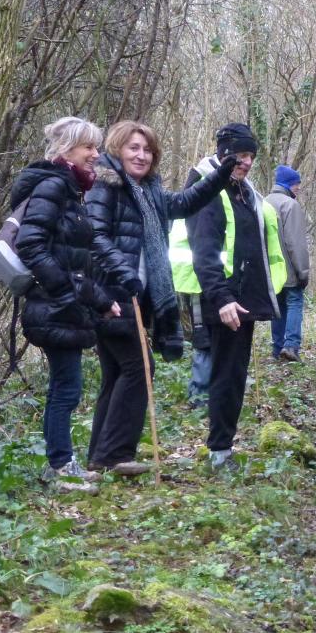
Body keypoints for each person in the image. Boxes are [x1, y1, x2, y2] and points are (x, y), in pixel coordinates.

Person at [85, 121, 235, 475]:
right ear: (118, 149)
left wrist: (218, 176)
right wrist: (122, 271)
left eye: (148, 150)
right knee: (139, 369)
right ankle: (114, 456)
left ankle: (100, 455)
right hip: (112, 294)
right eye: (134, 148)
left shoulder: (147, 191)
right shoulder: (106, 186)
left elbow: (184, 203)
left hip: (136, 296)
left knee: (117, 373)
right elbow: (94, 235)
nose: (141, 155)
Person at [11, 116, 119, 493]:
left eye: (96, 146)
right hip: (54, 308)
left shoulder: (71, 190)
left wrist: (101, 300)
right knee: (66, 388)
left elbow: (75, 261)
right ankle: (60, 467)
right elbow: (31, 245)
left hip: (64, 307)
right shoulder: (54, 187)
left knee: (65, 386)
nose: (95, 154)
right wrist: (64, 294)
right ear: (66, 150)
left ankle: (62, 462)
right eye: (88, 147)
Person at [170, 123, 286, 471]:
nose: (247, 162)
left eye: (251, 156)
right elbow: (204, 249)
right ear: (223, 154)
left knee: (232, 374)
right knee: (225, 374)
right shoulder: (208, 188)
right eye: (240, 155)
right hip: (220, 299)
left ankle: (224, 447)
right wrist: (221, 299)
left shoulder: (242, 189)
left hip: (241, 299)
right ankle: (220, 452)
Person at [266, 165, 311, 363]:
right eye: (296, 184)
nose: (298, 188)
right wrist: (303, 272)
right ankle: (291, 346)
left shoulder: (263, 202)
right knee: (294, 302)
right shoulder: (290, 206)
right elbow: (295, 243)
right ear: (288, 184)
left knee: (277, 307)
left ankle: (277, 349)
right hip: (289, 269)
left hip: (269, 270)